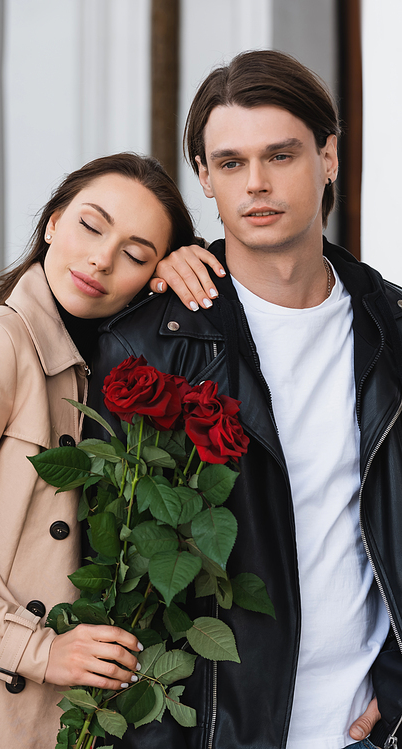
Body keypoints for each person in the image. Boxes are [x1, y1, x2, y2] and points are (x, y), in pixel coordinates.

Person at [88, 52, 402, 749]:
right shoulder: (149, 345)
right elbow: (109, 563)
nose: (256, 183)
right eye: (230, 163)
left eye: (281, 155)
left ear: (329, 157)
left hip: (365, 731)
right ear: (204, 175)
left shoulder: (394, 331)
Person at [0, 152, 224, 749]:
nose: (101, 259)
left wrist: (183, 274)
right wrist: (38, 648)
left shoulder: (99, 372)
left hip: (64, 718)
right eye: (90, 225)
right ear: (52, 223)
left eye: (135, 254)